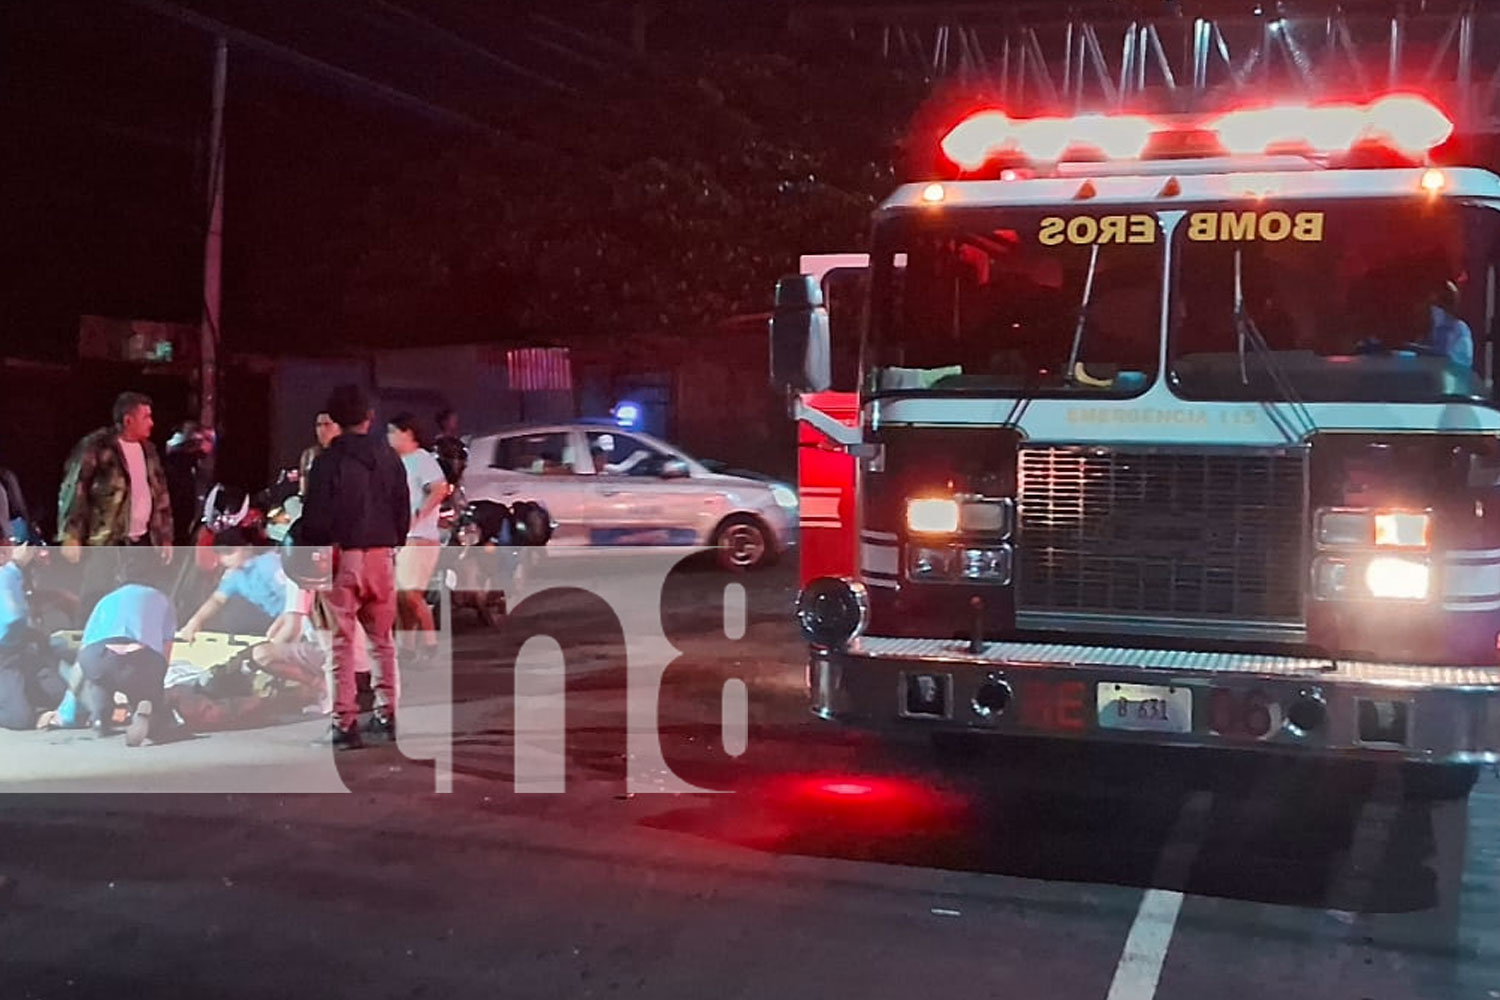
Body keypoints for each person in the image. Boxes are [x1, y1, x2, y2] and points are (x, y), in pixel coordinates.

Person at [299, 384, 409, 750]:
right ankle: (387, 714)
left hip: (341, 557)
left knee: (341, 644)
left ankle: (345, 723)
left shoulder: (326, 462)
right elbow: (401, 510)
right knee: (382, 641)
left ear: (334, 420)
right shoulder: (389, 457)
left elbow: (314, 518)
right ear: (369, 418)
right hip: (382, 556)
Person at [57, 392, 174, 610]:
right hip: (106, 541)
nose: (152, 423)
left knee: (138, 602)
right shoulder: (97, 447)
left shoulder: (148, 451)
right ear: (129, 419)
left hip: (141, 542)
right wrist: (71, 535)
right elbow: (75, 489)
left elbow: (161, 494)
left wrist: (164, 535)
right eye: (146, 417)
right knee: (98, 599)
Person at [76, 557, 181, 746]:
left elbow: (85, 645)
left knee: (100, 681)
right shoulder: (163, 600)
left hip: (98, 656)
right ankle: (146, 710)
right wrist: (157, 687)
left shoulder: (106, 600)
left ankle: (100, 718)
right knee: (143, 682)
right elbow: (166, 649)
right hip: (140, 658)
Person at [387, 413, 448, 660]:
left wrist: (418, 516)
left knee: (410, 593)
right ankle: (407, 647)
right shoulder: (397, 462)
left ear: (408, 433)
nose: (389, 437)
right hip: (403, 537)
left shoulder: (421, 459)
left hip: (420, 537)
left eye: (393, 432)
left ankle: (430, 641)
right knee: (400, 595)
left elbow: (439, 488)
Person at [179, 529, 307, 642]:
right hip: (275, 621)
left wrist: (286, 626)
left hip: (301, 620)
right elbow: (217, 600)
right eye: (220, 553)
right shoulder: (234, 575)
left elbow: (296, 598)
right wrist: (196, 621)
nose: (225, 558)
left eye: (229, 552)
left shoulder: (269, 563)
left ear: (247, 548)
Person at [0, 538, 66, 730]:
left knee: (61, 696)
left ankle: (21, 694)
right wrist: (14, 566)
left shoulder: (10, 575)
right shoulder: (8, 574)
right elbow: (11, 618)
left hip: (19, 649)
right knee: (19, 718)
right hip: (4, 656)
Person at [164, 421, 215, 547]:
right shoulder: (179, 463)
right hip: (175, 528)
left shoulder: (194, 467)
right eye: (207, 439)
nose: (211, 445)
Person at [1419, 280, 1474, 367]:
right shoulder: (1426, 330)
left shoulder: (1460, 329)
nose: (1432, 310)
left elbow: (1463, 362)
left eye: (1437, 305)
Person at [299, 412, 341, 497]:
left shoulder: (347, 455)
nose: (321, 429)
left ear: (339, 427)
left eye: (327, 424)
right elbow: (304, 490)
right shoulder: (309, 455)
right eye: (318, 425)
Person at [433, 408, 466, 486]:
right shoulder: (440, 443)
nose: (456, 422)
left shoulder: (458, 442)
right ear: (445, 422)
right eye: (453, 420)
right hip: (448, 480)